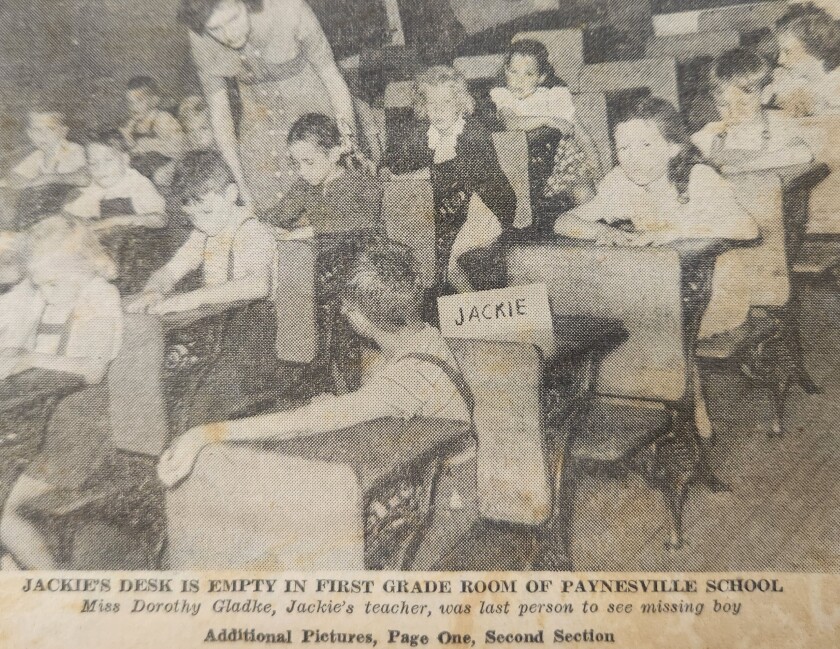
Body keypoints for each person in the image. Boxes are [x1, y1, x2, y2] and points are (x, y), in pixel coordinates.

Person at [157, 241, 471, 489]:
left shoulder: (409, 376)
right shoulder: (425, 336)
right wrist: (348, 405)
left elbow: (308, 421)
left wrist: (205, 434)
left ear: (357, 317)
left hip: (447, 482)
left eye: (347, 308)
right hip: (435, 454)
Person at [0, 216, 123, 569]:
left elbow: (92, 369)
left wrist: (29, 357)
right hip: (45, 415)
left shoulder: (99, 295)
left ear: (82, 267)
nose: (45, 293)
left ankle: (51, 587)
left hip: (81, 423)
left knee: (4, 510)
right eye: (39, 285)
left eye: (51, 284)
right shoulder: (57, 293)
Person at [126, 150, 282, 427]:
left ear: (231, 194)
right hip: (219, 324)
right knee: (159, 370)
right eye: (192, 215)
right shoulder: (204, 232)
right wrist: (154, 290)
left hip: (252, 330)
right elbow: (170, 271)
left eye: (207, 211)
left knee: (197, 395)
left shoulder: (250, 230)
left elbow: (259, 284)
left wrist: (192, 298)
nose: (200, 222)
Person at [177, 0, 357, 215]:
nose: (228, 34)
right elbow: (220, 114)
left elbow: (333, 79)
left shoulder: (290, 8)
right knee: (267, 208)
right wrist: (243, 189)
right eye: (215, 28)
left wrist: (348, 145)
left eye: (234, 18)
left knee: (333, 204)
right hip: (260, 120)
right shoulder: (199, 29)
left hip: (312, 112)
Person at [263, 113, 383, 392]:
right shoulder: (306, 185)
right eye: (297, 163)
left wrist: (306, 232)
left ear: (334, 153)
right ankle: (311, 367)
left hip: (362, 263)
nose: (302, 171)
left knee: (329, 304)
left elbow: (359, 221)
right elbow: (278, 215)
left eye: (309, 162)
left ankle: (345, 377)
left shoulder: (358, 182)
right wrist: (256, 223)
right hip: (326, 266)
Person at [554, 97, 758, 248]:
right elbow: (563, 222)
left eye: (645, 145)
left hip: (707, 272)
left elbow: (747, 227)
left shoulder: (697, 177)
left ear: (673, 147)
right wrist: (601, 230)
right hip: (662, 271)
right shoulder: (622, 183)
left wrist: (674, 232)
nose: (633, 158)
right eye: (623, 148)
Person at [386, 65, 516, 295]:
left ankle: (475, 308)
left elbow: (460, 172)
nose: (438, 111)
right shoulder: (424, 133)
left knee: (451, 263)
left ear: (459, 102)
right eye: (431, 104)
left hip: (487, 203)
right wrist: (391, 171)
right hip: (452, 206)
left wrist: (416, 175)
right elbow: (397, 161)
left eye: (446, 103)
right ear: (423, 106)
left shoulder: (473, 131)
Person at [491, 39, 600, 233]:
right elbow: (511, 123)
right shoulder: (502, 96)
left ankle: (600, 236)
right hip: (529, 171)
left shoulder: (554, 95)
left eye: (529, 74)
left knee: (587, 195)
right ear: (506, 70)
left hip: (563, 162)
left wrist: (597, 169)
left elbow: (580, 133)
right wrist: (548, 120)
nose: (518, 80)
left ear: (541, 77)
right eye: (513, 72)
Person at [693, 48, 814, 173]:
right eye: (723, 104)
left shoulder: (778, 125)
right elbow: (683, 155)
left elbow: (803, 153)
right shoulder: (714, 134)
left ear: (765, 94)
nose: (734, 113)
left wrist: (744, 167)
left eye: (743, 103)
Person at [1, 111, 88, 230]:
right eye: (37, 130)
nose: (43, 135)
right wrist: (27, 183)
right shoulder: (38, 155)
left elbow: (84, 178)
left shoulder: (72, 149)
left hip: (75, 211)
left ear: (63, 131)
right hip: (45, 213)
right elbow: (12, 177)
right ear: (30, 133)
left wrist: (48, 178)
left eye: (50, 129)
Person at [765, 8, 840, 115]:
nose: (780, 60)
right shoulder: (788, 79)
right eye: (779, 52)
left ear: (816, 51)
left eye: (787, 52)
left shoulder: (835, 87)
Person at [121, 76, 187, 180]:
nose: (134, 107)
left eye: (139, 101)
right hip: (147, 171)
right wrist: (129, 141)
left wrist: (147, 144)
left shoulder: (162, 118)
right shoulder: (133, 123)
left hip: (170, 169)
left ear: (154, 100)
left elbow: (180, 148)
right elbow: (132, 149)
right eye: (130, 102)